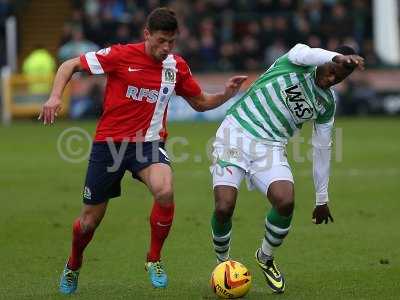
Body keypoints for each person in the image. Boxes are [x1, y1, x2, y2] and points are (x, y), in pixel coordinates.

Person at [39, 7, 247, 295]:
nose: (166, 48)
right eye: (161, 40)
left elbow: (199, 103)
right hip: (109, 146)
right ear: (147, 34)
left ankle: (154, 259)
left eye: (172, 42)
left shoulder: (176, 67)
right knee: (88, 223)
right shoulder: (120, 55)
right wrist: (53, 97)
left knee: (165, 189)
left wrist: (225, 94)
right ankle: (73, 264)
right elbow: (68, 66)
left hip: (147, 144)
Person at [209, 43, 364, 293]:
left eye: (340, 79)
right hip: (235, 134)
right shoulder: (298, 60)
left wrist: (322, 198)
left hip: (270, 148)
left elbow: (322, 149)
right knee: (224, 206)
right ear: (327, 59)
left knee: (285, 201)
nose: (332, 79)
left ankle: (266, 257)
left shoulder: (325, 104)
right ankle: (223, 263)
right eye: (333, 70)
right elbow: (309, 52)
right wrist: (339, 57)